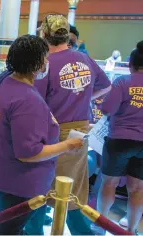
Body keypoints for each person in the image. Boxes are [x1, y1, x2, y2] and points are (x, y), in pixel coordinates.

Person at [0, 35, 85, 235]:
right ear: (36, 63)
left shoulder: (8, 81)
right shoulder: (27, 100)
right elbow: (28, 153)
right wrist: (68, 145)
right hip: (17, 179)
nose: (47, 62)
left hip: (1, 168)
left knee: (10, 223)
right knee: (9, 228)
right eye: (44, 58)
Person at [26, 14, 111, 235]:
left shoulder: (43, 63)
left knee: (39, 186)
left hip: (50, 129)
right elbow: (105, 86)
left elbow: (35, 102)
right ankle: (82, 232)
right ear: (67, 35)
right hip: (80, 131)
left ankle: (34, 232)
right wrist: (83, 97)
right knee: (74, 188)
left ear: (44, 35)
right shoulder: (85, 59)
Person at [97, 41, 143, 235]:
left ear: (130, 64)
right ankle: (131, 230)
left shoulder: (123, 82)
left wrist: (100, 105)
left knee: (109, 184)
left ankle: (101, 226)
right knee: (138, 189)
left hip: (120, 140)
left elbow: (107, 109)